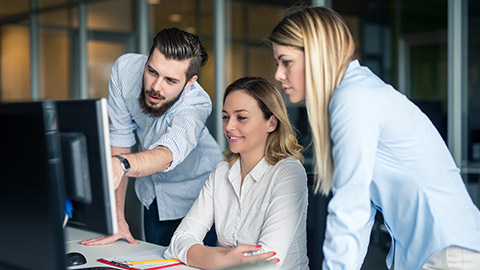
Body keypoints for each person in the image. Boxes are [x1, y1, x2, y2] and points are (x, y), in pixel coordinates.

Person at [268, 6, 480, 270]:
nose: (278, 74)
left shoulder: (354, 98)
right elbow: (362, 213)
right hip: (442, 253)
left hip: (450, 255)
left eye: (286, 61)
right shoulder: (356, 93)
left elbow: (350, 206)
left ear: (316, 55)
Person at [80, 28, 223, 247]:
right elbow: (121, 139)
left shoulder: (196, 104)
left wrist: (122, 164)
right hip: (154, 196)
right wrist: (117, 217)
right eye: (152, 71)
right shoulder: (125, 70)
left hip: (202, 196)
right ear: (147, 59)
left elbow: (166, 153)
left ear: (190, 82)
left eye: (171, 81)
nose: (156, 87)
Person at [164, 77, 309, 270]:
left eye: (241, 117)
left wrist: (208, 252)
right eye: (225, 116)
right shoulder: (221, 172)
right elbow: (178, 242)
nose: (229, 126)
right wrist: (220, 259)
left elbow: (265, 263)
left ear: (271, 123)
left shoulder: (289, 173)